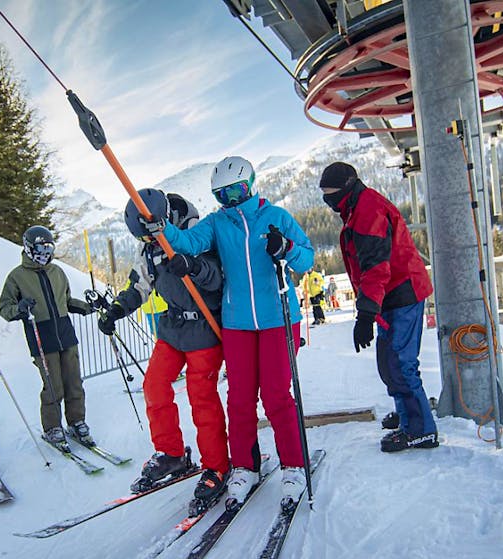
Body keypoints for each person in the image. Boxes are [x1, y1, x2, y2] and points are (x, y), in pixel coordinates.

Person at [138, 156, 315, 508]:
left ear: (250, 184)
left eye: (236, 190)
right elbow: (187, 242)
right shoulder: (218, 224)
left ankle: (293, 465)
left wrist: (287, 249)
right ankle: (245, 466)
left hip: (278, 318)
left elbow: (307, 259)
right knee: (239, 398)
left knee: (277, 395)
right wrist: (160, 229)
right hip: (237, 323)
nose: (232, 199)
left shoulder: (276, 217)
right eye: (223, 195)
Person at [100, 189, 229, 510]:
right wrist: (117, 309)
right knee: (154, 386)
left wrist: (194, 266)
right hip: (172, 330)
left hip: (203, 329)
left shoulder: (199, 234)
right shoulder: (151, 250)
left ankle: (216, 465)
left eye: (149, 236)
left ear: (164, 219)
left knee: (202, 397)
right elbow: (139, 286)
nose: (148, 243)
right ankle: (171, 453)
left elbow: (217, 277)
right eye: (143, 239)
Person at [318, 162, 437, 453]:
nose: (328, 200)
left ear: (346, 187)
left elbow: (375, 266)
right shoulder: (355, 208)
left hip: (402, 293)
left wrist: (366, 313)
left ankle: (421, 430)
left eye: (330, 193)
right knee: (388, 363)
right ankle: (407, 414)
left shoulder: (367, 209)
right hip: (388, 296)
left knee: (400, 362)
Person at [0, 226, 94, 448]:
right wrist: (19, 308)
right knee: (53, 386)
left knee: (74, 383)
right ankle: (52, 427)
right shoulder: (17, 277)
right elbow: (4, 308)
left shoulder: (57, 272)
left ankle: (76, 421)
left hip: (65, 333)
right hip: (42, 336)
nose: (45, 252)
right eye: (41, 247)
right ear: (30, 247)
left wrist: (86, 307)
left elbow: (67, 301)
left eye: (49, 247)